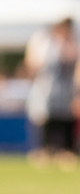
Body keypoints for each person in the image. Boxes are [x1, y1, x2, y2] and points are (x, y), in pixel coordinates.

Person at [25, 17, 79, 163]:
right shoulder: (45, 42)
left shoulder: (73, 42)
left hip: (66, 88)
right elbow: (33, 63)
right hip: (46, 87)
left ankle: (66, 151)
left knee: (65, 119)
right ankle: (45, 151)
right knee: (45, 119)